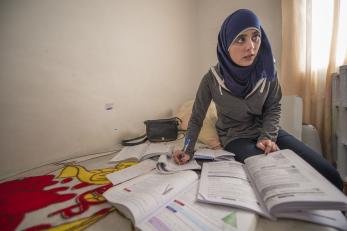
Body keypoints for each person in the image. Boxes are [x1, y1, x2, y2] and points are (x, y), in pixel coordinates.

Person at [173, 9, 343, 191]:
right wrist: (188, 148)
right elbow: (197, 117)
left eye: (255, 37)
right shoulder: (211, 80)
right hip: (235, 136)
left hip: (268, 131)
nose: (251, 47)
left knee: (330, 176)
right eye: (241, 39)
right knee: (274, 176)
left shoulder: (267, 70)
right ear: (225, 43)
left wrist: (267, 136)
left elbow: (273, 106)